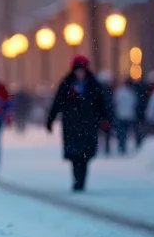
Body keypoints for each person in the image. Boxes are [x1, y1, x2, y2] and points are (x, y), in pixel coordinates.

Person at [47, 55, 111, 192]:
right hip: (72, 124)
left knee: (85, 154)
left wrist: (104, 119)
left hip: (88, 124)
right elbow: (57, 102)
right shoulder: (66, 84)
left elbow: (101, 104)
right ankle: (77, 179)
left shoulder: (93, 84)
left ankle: (81, 180)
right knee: (75, 154)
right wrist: (50, 119)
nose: (80, 73)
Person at [113, 76, 140, 154]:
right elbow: (135, 103)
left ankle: (122, 146)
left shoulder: (119, 91)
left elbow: (115, 102)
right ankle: (124, 146)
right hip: (128, 115)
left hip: (121, 115)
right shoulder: (131, 92)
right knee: (125, 132)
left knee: (122, 132)